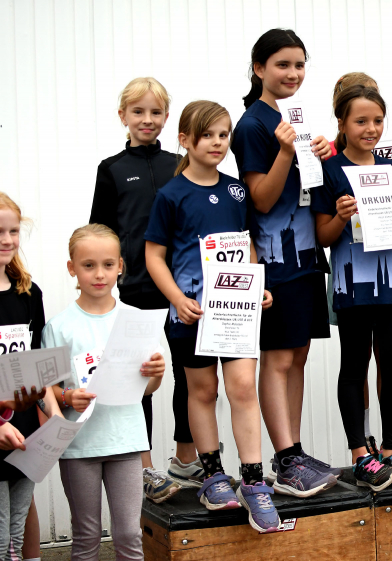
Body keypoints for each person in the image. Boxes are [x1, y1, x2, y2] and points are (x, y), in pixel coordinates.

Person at [144, 101, 287, 531]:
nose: (217, 143)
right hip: (193, 315)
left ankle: (254, 481)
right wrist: (176, 298)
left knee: (243, 387)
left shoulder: (237, 190)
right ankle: (212, 475)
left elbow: (246, 244)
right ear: (185, 140)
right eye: (207, 135)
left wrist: (256, 283)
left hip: (235, 314)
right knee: (201, 391)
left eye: (224, 135)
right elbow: (154, 255)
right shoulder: (170, 195)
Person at [231, 29, 341, 490]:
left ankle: (291, 453)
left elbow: (307, 188)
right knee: (277, 359)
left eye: (299, 65)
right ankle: (286, 457)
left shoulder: (294, 117)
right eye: (282, 64)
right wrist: (287, 152)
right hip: (274, 262)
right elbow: (260, 198)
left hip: (307, 258)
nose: (292, 73)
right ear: (259, 68)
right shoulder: (254, 125)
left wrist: (320, 156)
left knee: (298, 354)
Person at [312, 84, 392, 490]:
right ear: (341, 123)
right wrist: (340, 217)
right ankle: (360, 453)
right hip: (352, 283)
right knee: (355, 366)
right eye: (361, 121)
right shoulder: (329, 170)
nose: (371, 128)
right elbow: (323, 237)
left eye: (377, 121)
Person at [88, 77, 187, 499]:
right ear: (123, 116)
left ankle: (186, 459)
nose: (147, 120)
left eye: (156, 112)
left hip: (182, 289)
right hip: (137, 291)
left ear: (167, 116)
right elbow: (101, 231)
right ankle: (144, 467)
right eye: (138, 112)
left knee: (188, 374)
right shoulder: (111, 169)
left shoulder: (179, 164)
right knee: (138, 379)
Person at [44, 224, 166, 559]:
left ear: (121, 266)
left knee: (129, 533)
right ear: (72, 268)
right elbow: (47, 390)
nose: (100, 274)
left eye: (108, 265)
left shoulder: (135, 321)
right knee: (86, 536)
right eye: (89, 265)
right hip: (79, 444)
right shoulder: (58, 326)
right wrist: (67, 397)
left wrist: (156, 373)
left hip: (126, 440)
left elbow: (148, 388)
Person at [0, 193, 63, 560]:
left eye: (13, 231)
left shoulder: (28, 294)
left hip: (23, 437)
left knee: (15, 528)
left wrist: (53, 418)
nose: (7, 240)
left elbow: (41, 368)